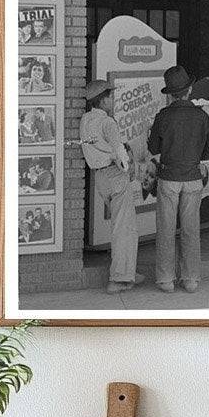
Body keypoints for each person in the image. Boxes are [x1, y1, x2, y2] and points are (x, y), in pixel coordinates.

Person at [147, 65, 209, 293]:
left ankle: (166, 279)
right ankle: (190, 279)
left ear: (171, 94)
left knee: (166, 229)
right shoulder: (202, 116)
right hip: (192, 178)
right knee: (190, 229)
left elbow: (152, 147)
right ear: (189, 90)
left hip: (168, 176)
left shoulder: (163, 116)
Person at [80, 78, 142, 294]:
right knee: (124, 229)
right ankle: (120, 278)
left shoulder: (86, 120)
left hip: (101, 178)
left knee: (119, 226)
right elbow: (120, 155)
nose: (112, 99)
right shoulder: (108, 122)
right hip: (115, 175)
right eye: (110, 95)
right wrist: (128, 165)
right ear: (102, 99)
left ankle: (127, 271)